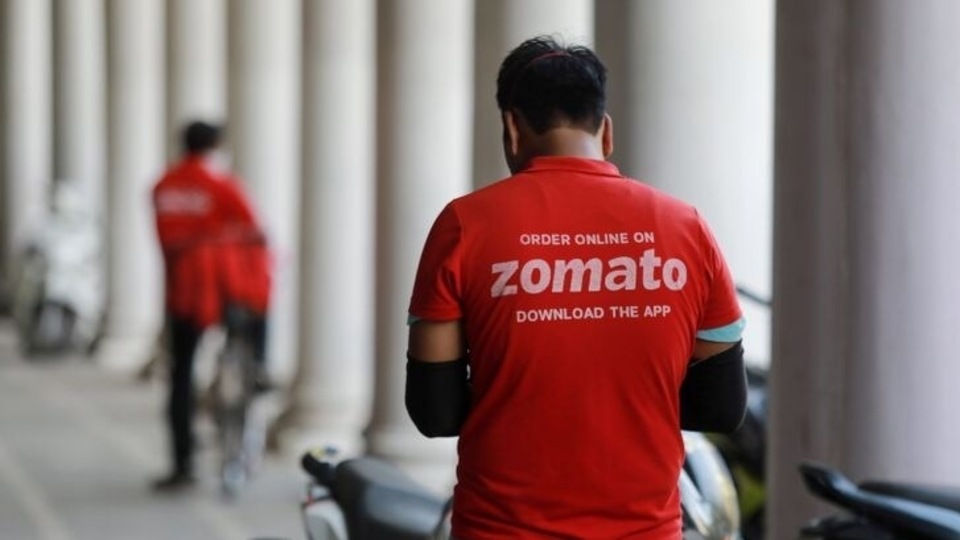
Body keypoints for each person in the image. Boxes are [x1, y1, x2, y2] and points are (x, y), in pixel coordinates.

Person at [406, 36, 747, 539]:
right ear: (605, 131)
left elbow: (434, 413)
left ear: (511, 128)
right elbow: (720, 408)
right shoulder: (685, 227)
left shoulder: (464, 225)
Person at [150, 121, 272, 491]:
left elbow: (165, 241)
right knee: (260, 305)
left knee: (181, 375)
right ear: (215, 146)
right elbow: (256, 234)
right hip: (225, 292)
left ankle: (182, 462)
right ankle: (262, 366)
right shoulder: (222, 185)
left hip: (183, 294)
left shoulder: (163, 186)